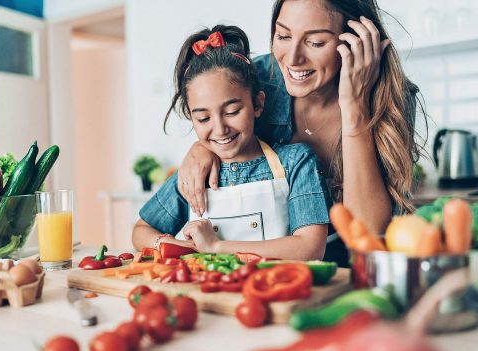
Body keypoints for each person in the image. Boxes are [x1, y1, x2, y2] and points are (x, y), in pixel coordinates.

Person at [177, 0, 426, 265]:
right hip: (268, 267)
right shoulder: (261, 78)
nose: (292, 58)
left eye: (316, 43)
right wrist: (202, 147)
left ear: (357, 41)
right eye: (283, 36)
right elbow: (219, 124)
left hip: (352, 269)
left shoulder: (391, 97)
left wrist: (355, 108)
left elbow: (366, 232)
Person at [132, 25, 331, 260]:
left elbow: (310, 248)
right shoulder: (193, 176)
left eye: (232, 111)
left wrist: (215, 247)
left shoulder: (296, 162)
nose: (219, 129)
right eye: (203, 118)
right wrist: (178, 246)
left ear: (257, 104)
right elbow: (140, 231)